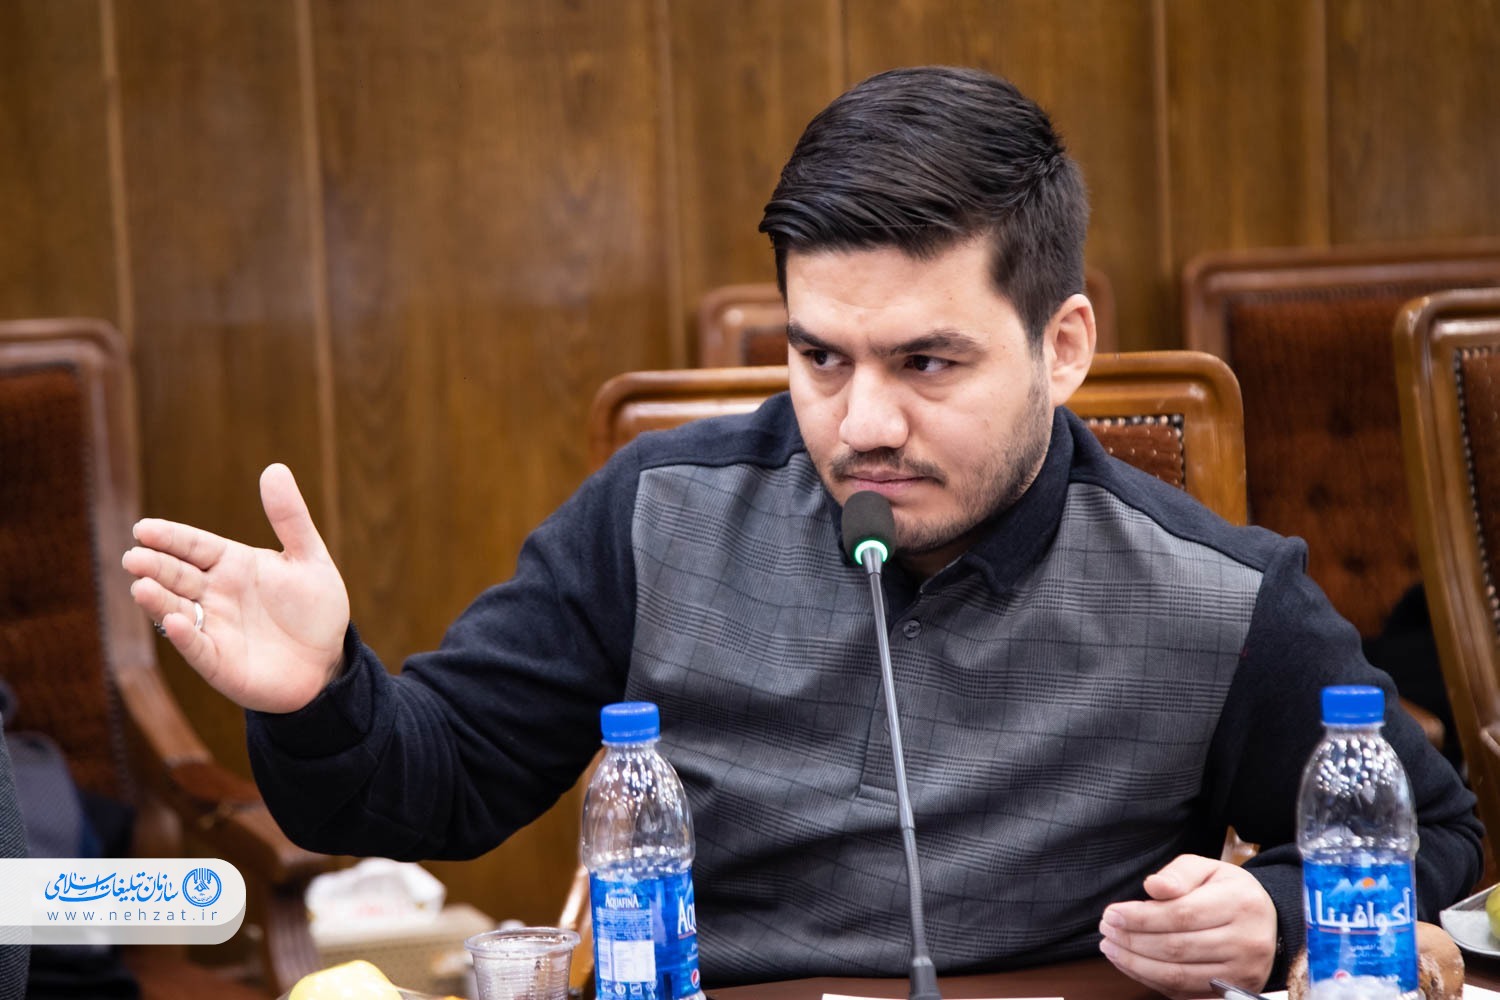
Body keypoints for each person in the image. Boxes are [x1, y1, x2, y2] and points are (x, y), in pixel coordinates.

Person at [121, 66, 1482, 1000]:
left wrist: (1280, 910)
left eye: (928, 363)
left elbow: (1436, 832)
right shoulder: (658, 513)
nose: (863, 423)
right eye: (821, 357)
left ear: (1063, 347)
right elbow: (431, 788)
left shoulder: (1212, 591)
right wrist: (318, 696)